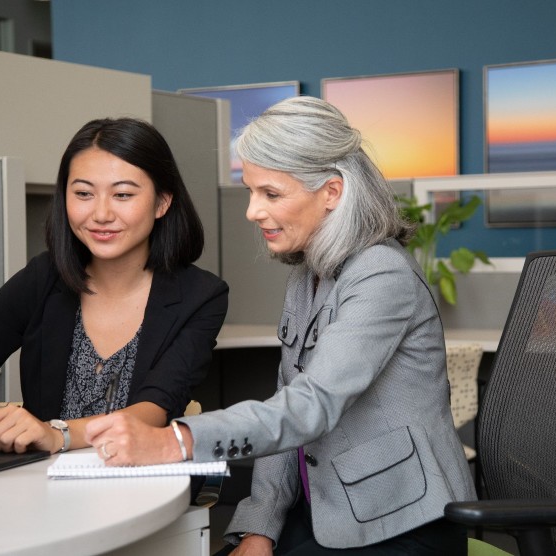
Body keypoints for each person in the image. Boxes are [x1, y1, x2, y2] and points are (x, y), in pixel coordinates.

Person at [84, 97, 476, 555]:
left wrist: (176, 441)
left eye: (270, 194)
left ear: (331, 192)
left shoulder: (381, 274)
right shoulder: (308, 276)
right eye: (251, 191)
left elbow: (311, 407)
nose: (252, 211)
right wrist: (260, 526)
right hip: (326, 511)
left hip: (399, 521)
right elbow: (286, 402)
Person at [0, 117, 228, 458]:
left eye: (122, 194)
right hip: (43, 486)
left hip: (141, 486)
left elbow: (154, 408)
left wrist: (57, 434)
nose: (101, 213)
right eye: (83, 193)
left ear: (162, 202)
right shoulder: (43, 277)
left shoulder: (200, 296)